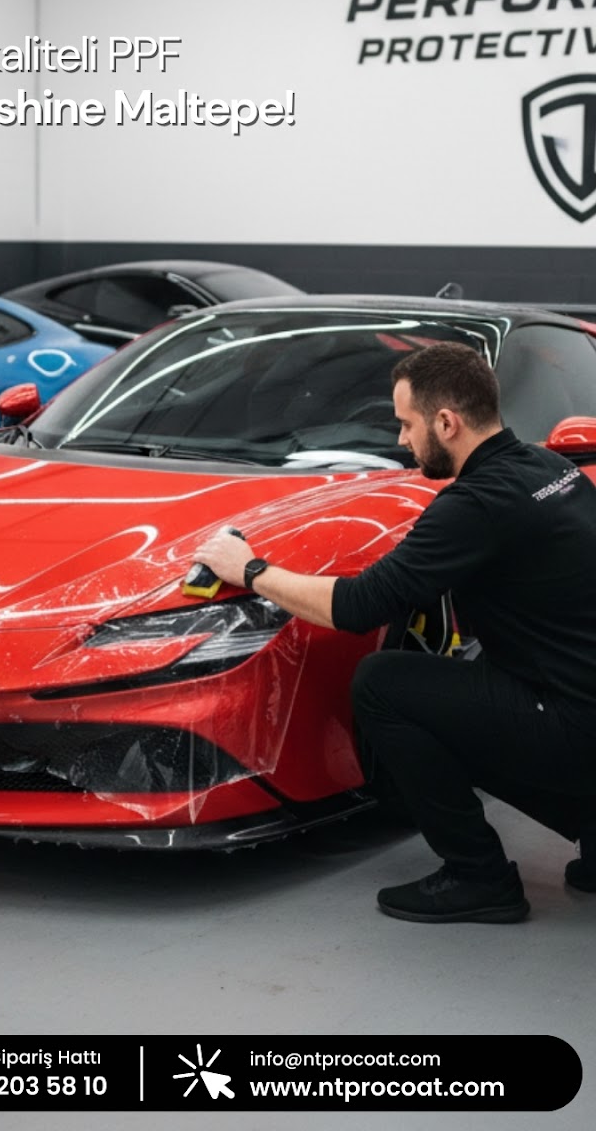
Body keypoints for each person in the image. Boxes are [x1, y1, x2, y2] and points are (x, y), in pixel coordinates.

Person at [192, 341, 596, 924]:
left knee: (384, 682)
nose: (402, 440)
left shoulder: (475, 504)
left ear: (446, 422)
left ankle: (478, 876)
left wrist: (251, 570)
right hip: (580, 699)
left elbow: (358, 607)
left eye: (407, 424)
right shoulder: (550, 469)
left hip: (573, 725)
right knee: (486, 681)